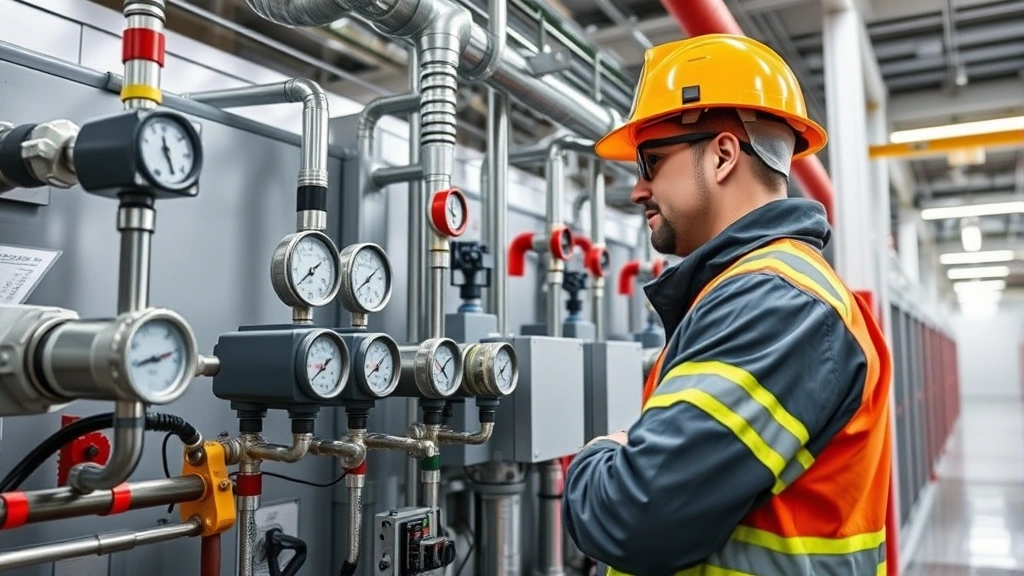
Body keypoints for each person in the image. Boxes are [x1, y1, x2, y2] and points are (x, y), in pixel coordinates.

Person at [562, 34, 893, 576]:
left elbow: (630, 516)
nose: (637, 190)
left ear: (722, 156)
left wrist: (600, 454)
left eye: (651, 160)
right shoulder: (753, 290)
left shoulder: (775, 304)